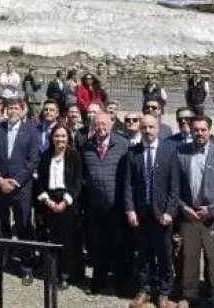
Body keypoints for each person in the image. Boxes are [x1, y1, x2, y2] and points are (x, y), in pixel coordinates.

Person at [171, 115, 214, 308]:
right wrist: (184, 208)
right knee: (189, 258)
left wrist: (212, 209)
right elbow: (175, 187)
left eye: (202, 129)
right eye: (195, 130)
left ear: (209, 130)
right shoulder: (180, 153)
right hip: (189, 217)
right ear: (190, 131)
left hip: (212, 219)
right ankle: (190, 294)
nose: (199, 133)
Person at [0, 97, 41, 286]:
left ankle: (26, 266)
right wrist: (0, 180)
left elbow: (33, 160)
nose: (13, 111)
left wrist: (16, 181)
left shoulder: (32, 131)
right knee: (1, 226)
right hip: (0, 186)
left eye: (16, 108)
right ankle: (1, 262)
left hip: (21, 188)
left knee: (24, 225)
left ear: (23, 110)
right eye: (9, 108)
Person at [123, 114, 178, 308]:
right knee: (143, 254)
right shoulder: (133, 153)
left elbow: (174, 186)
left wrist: (170, 211)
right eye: (144, 127)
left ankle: (164, 293)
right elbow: (128, 185)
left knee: (164, 255)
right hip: (141, 214)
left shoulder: (169, 151)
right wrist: (130, 209)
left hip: (162, 215)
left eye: (151, 127)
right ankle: (144, 290)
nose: (147, 131)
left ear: (158, 127)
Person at [81, 111, 131, 295]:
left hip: (117, 205)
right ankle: (98, 280)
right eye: (97, 124)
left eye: (104, 124)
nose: (100, 128)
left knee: (119, 245)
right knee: (98, 245)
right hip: (96, 206)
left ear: (111, 125)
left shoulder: (123, 144)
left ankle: (120, 282)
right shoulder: (87, 146)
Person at [34, 124, 82, 290]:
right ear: (52, 138)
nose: (60, 139)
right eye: (57, 136)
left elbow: (77, 182)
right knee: (51, 240)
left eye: (63, 136)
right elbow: (39, 180)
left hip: (67, 201)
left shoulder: (74, 155)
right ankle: (52, 272)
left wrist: (65, 201)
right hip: (49, 200)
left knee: (67, 241)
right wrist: (47, 200)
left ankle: (65, 275)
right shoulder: (46, 155)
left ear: (68, 138)